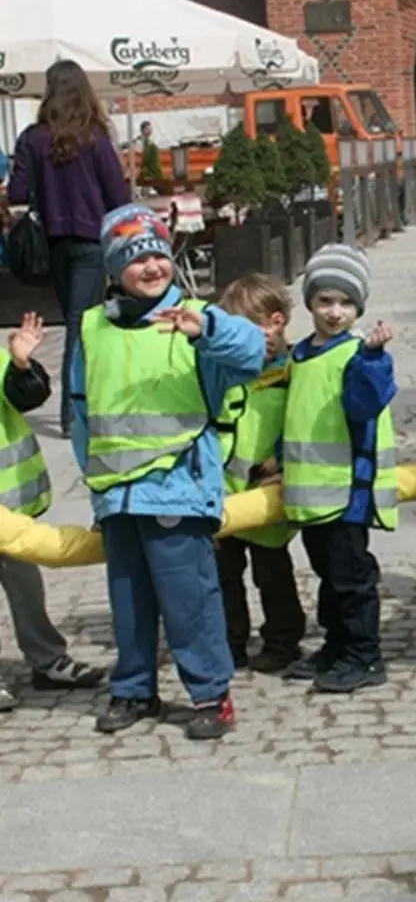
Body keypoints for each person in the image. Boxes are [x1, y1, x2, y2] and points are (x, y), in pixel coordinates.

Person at [71, 204, 266, 739]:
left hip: (177, 487)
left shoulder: (198, 317)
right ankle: (134, 691)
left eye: (158, 253)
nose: (151, 267)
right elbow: (82, 408)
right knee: (129, 600)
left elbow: (254, 352)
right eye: (136, 259)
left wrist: (204, 329)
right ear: (115, 270)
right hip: (118, 494)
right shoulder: (91, 327)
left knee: (190, 598)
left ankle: (210, 694)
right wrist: (93, 481)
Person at [281, 245, 398, 694]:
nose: (335, 312)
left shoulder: (358, 353)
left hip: (349, 488)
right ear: (309, 302)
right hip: (311, 490)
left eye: (347, 303)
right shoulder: (301, 354)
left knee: (352, 578)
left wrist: (373, 359)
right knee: (329, 576)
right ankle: (336, 644)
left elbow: (365, 402)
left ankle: (364, 655)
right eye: (325, 300)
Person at [7, 60, 130, 439]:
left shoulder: (32, 138)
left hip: (54, 244)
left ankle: (77, 409)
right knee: (82, 326)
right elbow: (118, 195)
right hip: (93, 243)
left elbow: (15, 194)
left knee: (76, 322)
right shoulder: (93, 137)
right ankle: (74, 415)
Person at [0, 311, 105, 711]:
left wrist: (23, 363)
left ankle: (48, 661)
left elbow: (29, 395)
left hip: (9, 513)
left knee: (26, 587)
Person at [215, 275, 305, 674]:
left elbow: (307, 423)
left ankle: (283, 640)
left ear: (278, 321)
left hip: (268, 492)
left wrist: (284, 462)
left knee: (273, 572)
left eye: (251, 330)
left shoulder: (296, 372)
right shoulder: (228, 373)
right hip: (224, 492)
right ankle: (229, 642)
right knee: (222, 576)